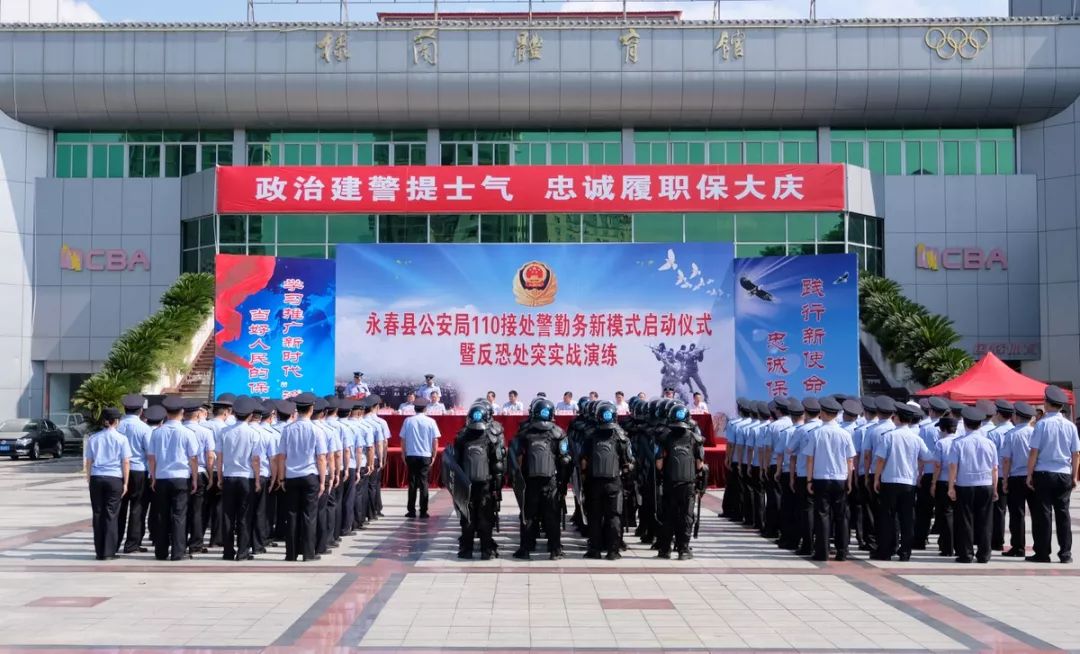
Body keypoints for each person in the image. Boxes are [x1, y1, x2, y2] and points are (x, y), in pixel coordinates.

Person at [1025, 385, 1080, 563]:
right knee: (1063, 514)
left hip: (1044, 472)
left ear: (1047, 404)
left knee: (1043, 514)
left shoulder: (1041, 425)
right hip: (1063, 472)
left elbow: (1034, 451)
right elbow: (1076, 453)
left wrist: (1029, 474)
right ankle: (1065, 554)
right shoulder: (1070, 426)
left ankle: (1043, 553)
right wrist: (1074, 476)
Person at [512, 397, 569, 560]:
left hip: (530, 481)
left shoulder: (525, 432)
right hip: (550, 480)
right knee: (552, 516)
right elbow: (565, 459)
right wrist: (562, 483)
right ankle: (555, 550)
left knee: (528, 516)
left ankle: (525, 549)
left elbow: (516, 456)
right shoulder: (559, 432)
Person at [872, 403, 930, 561]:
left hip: (890, 480)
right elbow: (927, 457)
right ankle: (905, 552)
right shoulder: (916, 438)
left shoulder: (888, 436)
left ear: (897, 418)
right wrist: (918, 471)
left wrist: (876, 478)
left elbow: (880, 460)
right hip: (908, 482)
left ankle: (886, 551)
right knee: (907, 519)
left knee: (888, 518)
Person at [147, 396, 199, 561]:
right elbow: (193, 458)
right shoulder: (187, 433)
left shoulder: (157, 433)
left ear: (166, 413)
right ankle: (178, 552)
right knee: (179, 515)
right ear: (182, 412)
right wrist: (195, 479)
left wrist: (153, 477)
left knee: (161, 515)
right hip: (180, 478)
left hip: (162, 478)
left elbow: (151, 458)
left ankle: (160, 552)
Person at [804, 397, 856, 562]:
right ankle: (842, 551)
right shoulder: (844, 434)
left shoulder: (816, 433)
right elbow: (850, 460)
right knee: (841, 516)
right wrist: (849, 480)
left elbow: (810, 459)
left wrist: (809, 480)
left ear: (823, 413)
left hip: (821, 478)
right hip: (840, 478)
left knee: (822, 515)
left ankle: (822, 551)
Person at [276, 392, 327, 562]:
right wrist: (322, 480)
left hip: (291, 476)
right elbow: (321, 457)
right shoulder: (316, 430)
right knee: (309, 516)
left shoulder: (287, 429)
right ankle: (308, 553)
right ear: (311, 409)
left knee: (291, 515)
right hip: (309, 475)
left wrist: (281, 478)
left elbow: (281, 456)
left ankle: (290, 553)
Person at [581, 401, 633, 560]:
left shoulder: (590, 435)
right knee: (614, 517)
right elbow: (629, 462)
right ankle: (613, 551)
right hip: (614, 482)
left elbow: (583, 461)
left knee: (594, 516)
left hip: (594, 482)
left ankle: (594, 550)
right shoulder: (621, 436)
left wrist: (584, 477)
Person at [453, 401, 505, 560]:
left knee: (467, 519)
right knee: (485, 519)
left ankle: (466, 551)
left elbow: (455, 463)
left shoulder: (461, 436)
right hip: (486, 485)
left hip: (466, 486)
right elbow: (498, 465)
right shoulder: (492, 438)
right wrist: (498, 488)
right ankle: (485, 551)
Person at [948, 406, 998, 564]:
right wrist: (995, 487)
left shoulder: (958, 443)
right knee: (985, 520)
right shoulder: (989, 443)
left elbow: (953, 467)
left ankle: (966, 554)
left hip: (965, 484)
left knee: (965, 521)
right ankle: (984, 554)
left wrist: (951, 486)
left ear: (965, 424)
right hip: (985, 483)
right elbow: (994, 468)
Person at [655, 402, 704, 560]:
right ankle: (683, 550)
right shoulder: (695, 439)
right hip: (688, 484)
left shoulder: (664, 437)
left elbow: (659, 464)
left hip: (670, 483)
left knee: (668, 515)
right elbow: (699, 465)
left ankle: (665, 550)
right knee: (686, 516)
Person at [217, 397, 262, 561]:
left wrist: (220, 477)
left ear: (234, 414)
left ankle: (228, 551)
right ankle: (242, 551)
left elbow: (219, 457)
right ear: (250, 415)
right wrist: (257, 480)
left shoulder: (224, 432)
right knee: (245, 516)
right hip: (246, 478)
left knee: (228, 515)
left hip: (229, 476)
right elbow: (256, 460)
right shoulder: (253, 433)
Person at [85, 407, 132, 561]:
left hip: (97, 477)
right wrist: (126, 482)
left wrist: (89, 478)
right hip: (114, 478)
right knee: (111, 515)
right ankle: (109, 551)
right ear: (116, 421)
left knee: (97, 514)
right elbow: (125, 461)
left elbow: (89, 461)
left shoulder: (93, 438)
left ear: (104, 421)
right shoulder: (122, 439)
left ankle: (99, 551)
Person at [115, 394, 151, 554]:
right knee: (138, 508)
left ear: (124, 409)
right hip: (138, 471)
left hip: (120, 471)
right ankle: (132, 544)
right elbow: (150, 453)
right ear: (141, 410)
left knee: (119, 509)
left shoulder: (117, 426)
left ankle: (114, 543)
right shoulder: (144, 428)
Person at [787, 398, 823, 556]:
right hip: (822, 475)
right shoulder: (823, 428)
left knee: (806, 510)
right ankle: (822, 543)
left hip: (803, 474)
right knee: (822, 511)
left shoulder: (801, 430)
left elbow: (789, 450)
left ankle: (807, 544)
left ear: (806, 413)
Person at [1001, 401, 1036, 557]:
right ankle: (1040, 547)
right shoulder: (1035, 432)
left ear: (1016, 416)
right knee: (1037, 513)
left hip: (1016, 477)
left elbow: (1007, 459)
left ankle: (1018, 547)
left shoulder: (1011, 434)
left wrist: (1005, 479)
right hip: (1033, 476)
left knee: (1017, 514)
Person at [914, 397, 947, 550]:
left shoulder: (925, 428)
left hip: (928, 472)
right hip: (945, 474)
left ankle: (920, 539)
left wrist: (919, 474)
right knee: (945, 510)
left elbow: (922, 455)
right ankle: (946, 543)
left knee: (924, 510)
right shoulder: (951, 427)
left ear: (931, 410)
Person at [183, 400, 216, 555]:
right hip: (200, 472)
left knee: (180, 510)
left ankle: (179, 541)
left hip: (181, 473)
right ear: (197, 414)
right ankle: (196, 543)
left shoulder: (179, 430)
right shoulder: (205, 431)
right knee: (197, 511)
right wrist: (210, 476)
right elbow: (210, 456)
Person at [401, 398, 439, 518]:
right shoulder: (431, 421)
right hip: (425, 455)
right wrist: (434, 454)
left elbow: (403, 439)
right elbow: (435, 440)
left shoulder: (408, 421)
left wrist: (403, 453)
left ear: (414, 408)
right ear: (425, 408)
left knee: (412, 483)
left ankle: (411, 510)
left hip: (411, 454)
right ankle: (423, 511)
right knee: (424, 483)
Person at [986, 399, 1015, 551]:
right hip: (1016, 475)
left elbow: (991, 458)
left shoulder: (993, 434)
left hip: (999, 475)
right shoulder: (1016, 431)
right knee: (1017, 512)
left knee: (998, 511)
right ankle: (1018, 544)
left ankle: (997, 541)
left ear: (998, 414)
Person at [930, 416, 960, 557]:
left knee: (945, 514)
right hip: (959, 482)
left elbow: (937, 465)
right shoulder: (960, 441)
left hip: (943, 481)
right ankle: (958, 544)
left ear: (943, 429)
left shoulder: (941, 443)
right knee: (958, 514)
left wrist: (933, 483)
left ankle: (947, 547)